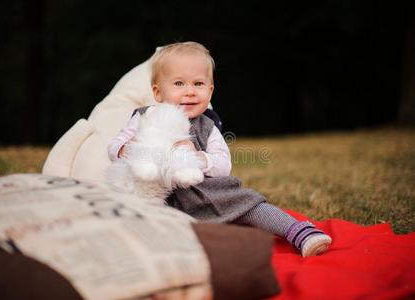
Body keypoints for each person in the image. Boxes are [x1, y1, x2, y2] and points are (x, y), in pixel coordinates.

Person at [108, 41, 332, 257]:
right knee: (148, 224)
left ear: (210, 91)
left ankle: (298, 232)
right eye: (179, 83)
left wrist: (200, 157)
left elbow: (224, 165)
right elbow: (114, 146)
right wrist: (130, 150)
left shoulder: (209, 126)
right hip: (166, 201)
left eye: (198, 84)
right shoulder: (144, 117)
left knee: (250, 203)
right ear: (157, 93)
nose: (190, 92)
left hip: (212, 194)